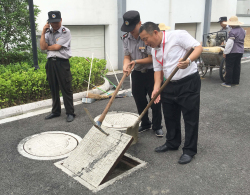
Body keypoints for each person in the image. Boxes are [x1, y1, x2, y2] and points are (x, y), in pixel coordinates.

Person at [139, 22, 203, 164]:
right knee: (169, 116)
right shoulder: (154, 49)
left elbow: (198, 47)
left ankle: (189, 150)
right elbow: (157, 70)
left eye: (145, 38)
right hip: (168, 85)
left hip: (188, 83)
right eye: (143, 40)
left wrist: (188, 60)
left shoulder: (178, 35)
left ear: (155, 32)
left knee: (190, 118)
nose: (145, 42)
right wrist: (156, 87)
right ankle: (172, 142)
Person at [121, 11, 163, 137]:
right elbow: (127, 56)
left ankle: (157, 126)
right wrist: (125, 65)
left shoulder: (147, 36)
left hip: (151, 72)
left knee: (155, 100)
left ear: (139, 23)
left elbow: (152, 58)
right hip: (137, 73)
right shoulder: (126, 38)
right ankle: (145, 123)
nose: (131, 31)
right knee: (139, 100)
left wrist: (135, 61)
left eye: (133, 28)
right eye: (128, 29)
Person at [40, 11, 75, 122]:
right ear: (49, 22)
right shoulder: (47, 32)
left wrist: (48, 46)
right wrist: (42, 32)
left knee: (66, 88)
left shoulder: (65, 31)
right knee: (53, 88)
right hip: (50, 63)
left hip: (62, 63)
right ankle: (56, 111)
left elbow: (56, 47)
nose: (54, 24)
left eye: (56, 22)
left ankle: (70, 113)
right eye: (52, 22)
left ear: (60, 20)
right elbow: (42, 47)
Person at [221, 16, 245, 88]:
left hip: (233, 51)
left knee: (229, 67)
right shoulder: (242, 30)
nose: (229, 25)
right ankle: (236, 81)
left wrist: (225, 52)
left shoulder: (232, 31)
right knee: (237, 66)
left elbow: (229, 43)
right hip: (240, 50)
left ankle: (228, 82)